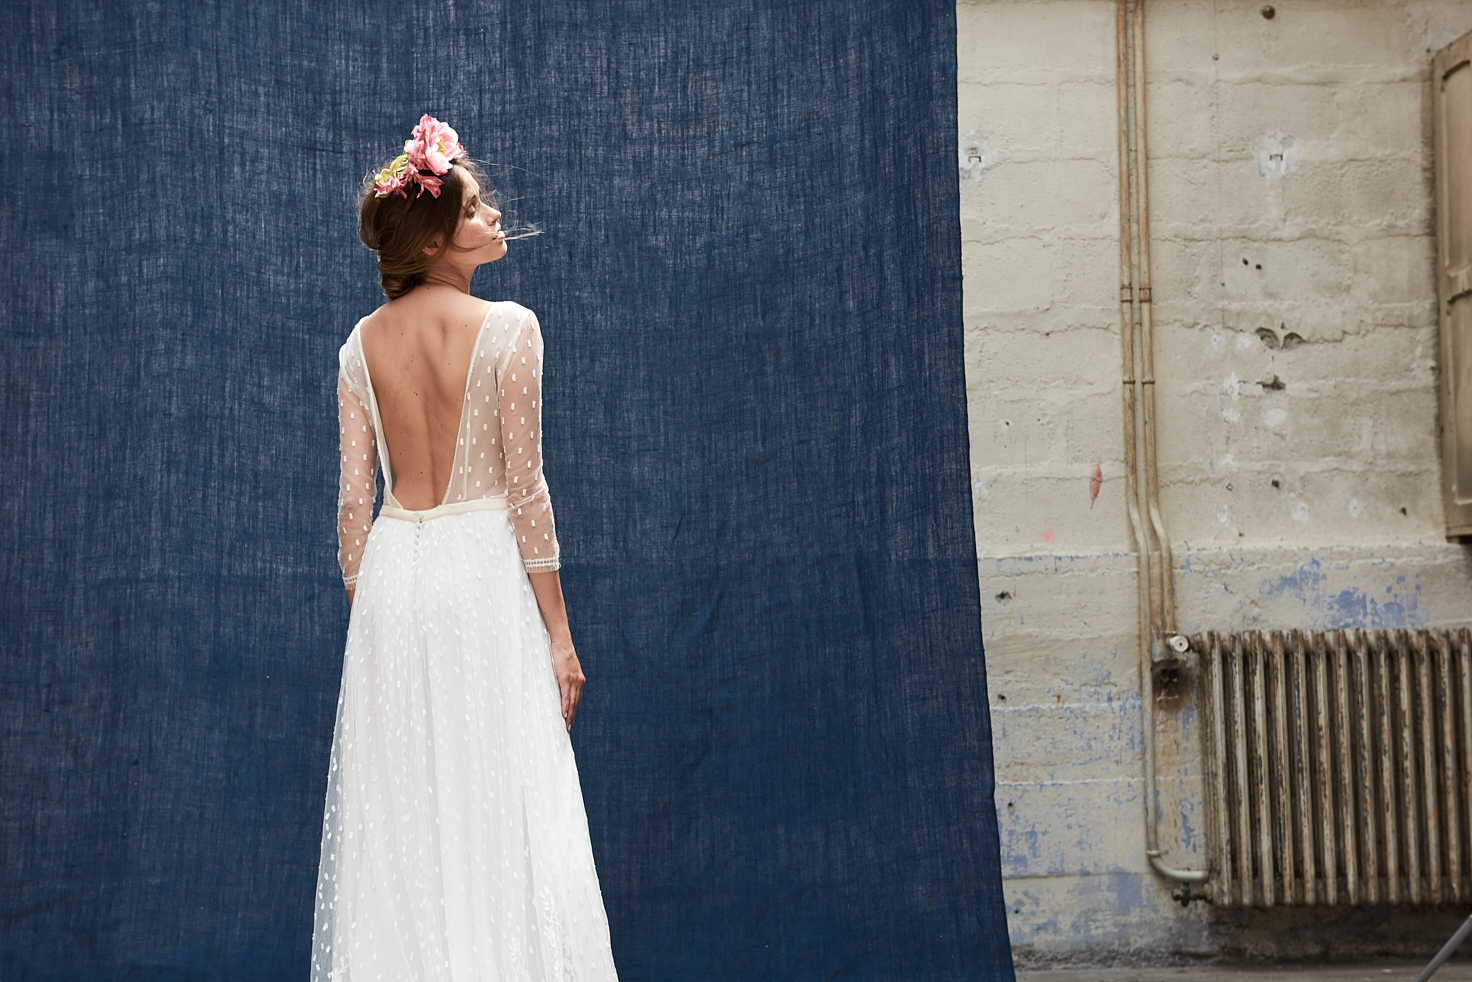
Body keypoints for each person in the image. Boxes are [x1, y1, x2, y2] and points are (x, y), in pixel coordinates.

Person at [311, 115, 619, 982]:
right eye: (476, 208)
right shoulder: (510, 329)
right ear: (434, 241)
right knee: (505, 796)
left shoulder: (358, 349)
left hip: (393, 577)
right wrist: (559, 634)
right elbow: (527, 490)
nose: (494, 216)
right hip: (480, 574)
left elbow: (352, 504)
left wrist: (371, 614)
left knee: (408, 813)